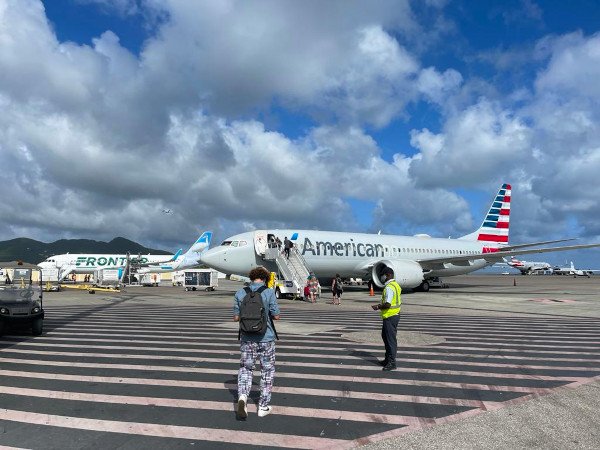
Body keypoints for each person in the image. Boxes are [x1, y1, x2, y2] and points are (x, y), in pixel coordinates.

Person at [234, 266, 281, 418]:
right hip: (266, 338)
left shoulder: (241, 293)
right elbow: (276, 316)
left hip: (247, 338)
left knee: (246, 369)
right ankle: (263, 406)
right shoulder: (268, 292)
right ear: (265, 278)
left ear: (251, 278)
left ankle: (242, 398)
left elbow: (236, 318)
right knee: (267, 371)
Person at [371, 267, 402, 371]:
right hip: (394, 315)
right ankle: (387, 359)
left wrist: (378, 306)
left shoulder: (389, 287)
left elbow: (388, 304)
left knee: (390, 340)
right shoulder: (396, 285)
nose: (382, 277)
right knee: (385, 337)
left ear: (388, 275)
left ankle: (392, 362)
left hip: (390, 316)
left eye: (383, 275)